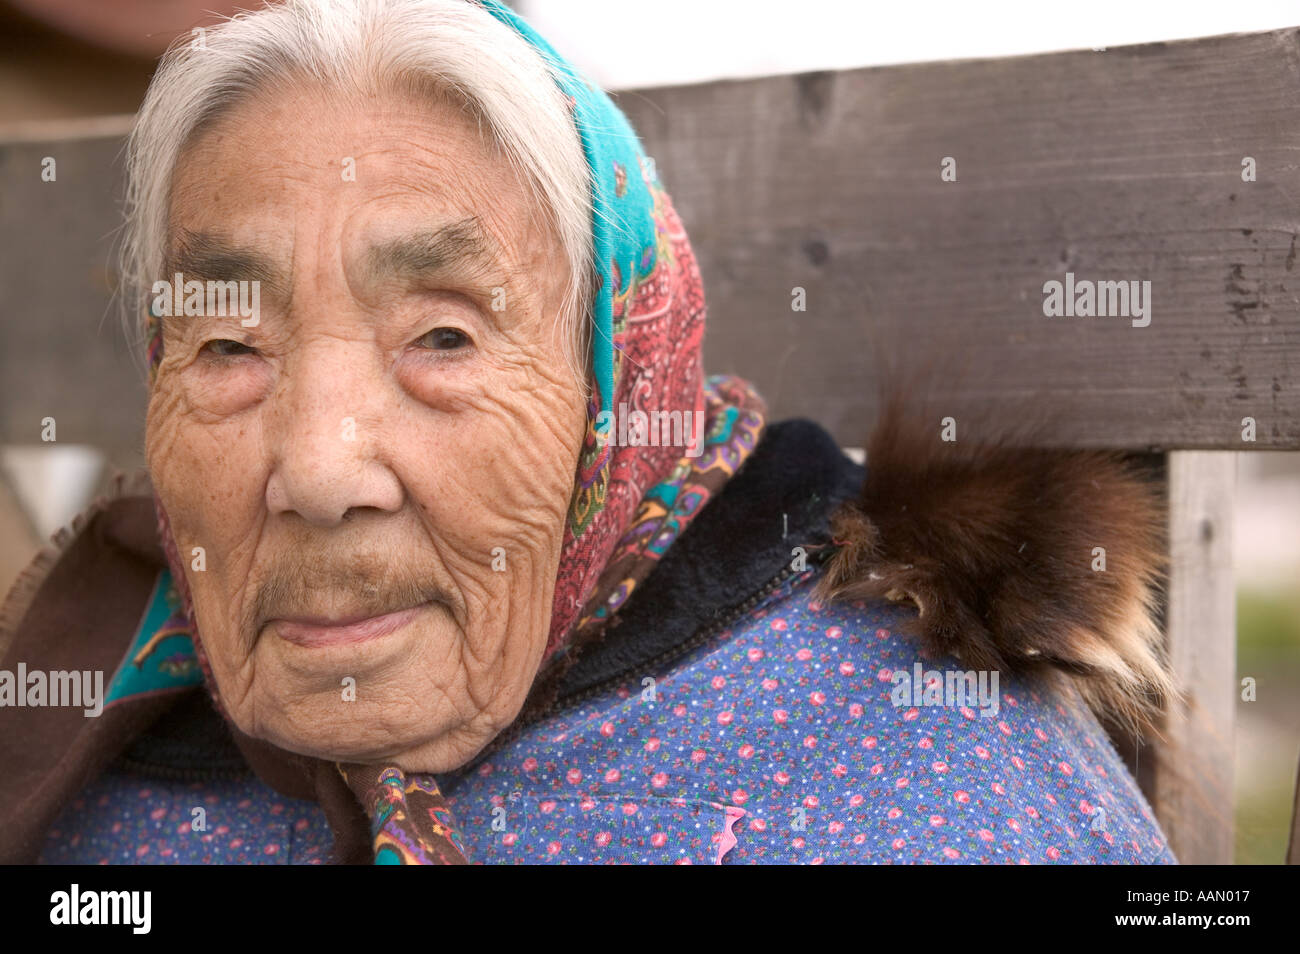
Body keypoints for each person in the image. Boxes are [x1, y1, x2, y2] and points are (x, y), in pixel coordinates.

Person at [1, 0, 1175, 864]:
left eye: (445, 339)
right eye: (230, 347)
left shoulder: (938, 796)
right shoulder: (87, 745)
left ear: (617, 384)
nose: (317, 469)